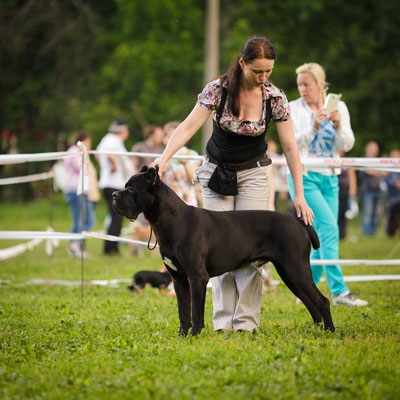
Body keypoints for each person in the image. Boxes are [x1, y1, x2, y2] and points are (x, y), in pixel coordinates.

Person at [151, 36, 314, 333]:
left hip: (254, 173)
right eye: (257, 71)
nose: (264, 77)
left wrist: (299, 194)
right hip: (215, 173)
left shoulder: (275, 97)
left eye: (268, 71)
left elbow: (291, 148)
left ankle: (246, 324)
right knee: (214, 248)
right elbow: (188, 126)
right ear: (242, 63)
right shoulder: (217, 90)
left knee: (250, 250)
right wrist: (163, 159)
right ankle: (223, 322)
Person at [288, 62, 367, 307]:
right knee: (330, 230)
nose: (302, 89)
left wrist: (337, 124)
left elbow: (349, 143)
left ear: (321, 85)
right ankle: (340, 291)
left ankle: (306, 290)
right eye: (299, 84)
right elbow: (292, 145)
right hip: (304, 176)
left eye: (307, 84)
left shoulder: (339, 106)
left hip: (330, 177)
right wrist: (313, 127)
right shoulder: (292, 108)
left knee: (323, 236)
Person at [96, 119, 134, 255]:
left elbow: (97, 154)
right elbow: (110, 155)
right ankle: (111, 249)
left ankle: (111, 248)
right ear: (124, 131)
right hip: (114, 184)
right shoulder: (113, 140)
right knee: (116, 219)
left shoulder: (107, 139)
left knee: (115, 218)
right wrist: (114, 166)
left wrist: (104, 166)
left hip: (109, 183)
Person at [129, 125, 165, 255]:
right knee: (139, 218)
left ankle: (154, 246)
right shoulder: (139, 147)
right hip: (141, 187)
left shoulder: (162, 149)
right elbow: (133, 165)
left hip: (155, 188)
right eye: (159, 135)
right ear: (151, 135)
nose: (161, 138)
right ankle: (135, 248)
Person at [63, 131, 98, 258]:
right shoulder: (73, 151)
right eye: (88, 142)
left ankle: (75, 245)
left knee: (86, 220)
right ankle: (75, 246)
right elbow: (81, 167)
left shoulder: (78, 152)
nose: (90, 144)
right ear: (83, 141)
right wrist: (84, 154)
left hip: (81, 190)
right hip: (75, 189)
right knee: (81, 220)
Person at [359, 140, 386, 236]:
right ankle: (366, 233)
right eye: (372, 148)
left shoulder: (377, 160)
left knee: (377, 214)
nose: (374, 150)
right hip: (367, 191)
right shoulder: (363, 159)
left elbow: (385, 172)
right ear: (367, 149)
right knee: (367, 213)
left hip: (379, 190)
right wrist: (379, 171)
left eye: (375, 148)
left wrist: (376, 171)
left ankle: (372, 233)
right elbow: (369, 171)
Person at [338, 150, 358, 240]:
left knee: (343, 213)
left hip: (344, 191)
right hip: (334, 190)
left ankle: (342, 234)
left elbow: (352, 176)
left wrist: (352, 189)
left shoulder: (347, 161)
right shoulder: (330, 160)